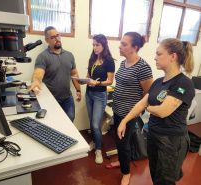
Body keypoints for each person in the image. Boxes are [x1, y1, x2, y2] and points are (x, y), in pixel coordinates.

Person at [117, 38, 195, 185]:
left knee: (165, 180)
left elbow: (162, 111)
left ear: (173, 56)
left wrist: (147, 107)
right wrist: (124, 121)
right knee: (155, 175)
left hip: (172, 140)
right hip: (154, 135)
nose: (155, 58)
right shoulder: (159, 82)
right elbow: (141, 103)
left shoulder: (183, 83)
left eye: (159, 54)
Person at [105, 32, 153, 185]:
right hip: (118, 108)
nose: (120, 46)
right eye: (121, 43)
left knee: (122, 142)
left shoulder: (143, 67)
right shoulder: (123, 63)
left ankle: (126, 173)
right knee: (120, 139)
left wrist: (136, 110)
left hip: (129, 113)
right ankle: (121, 160)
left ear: (135, 47)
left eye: (124, 44)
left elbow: (148, 94)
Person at [28, 26, 81, 122]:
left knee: (70, 121)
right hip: (50, 99)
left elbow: (74, 74)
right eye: (53, 37)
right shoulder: (43, 56)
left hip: (67, 98)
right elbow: (38, 73)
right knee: (54, 123)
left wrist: (78, 90)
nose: (57, 39)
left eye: (58, 35)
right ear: (46, 40)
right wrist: (35, 81)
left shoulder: (69, 55)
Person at [79, 34, 115, 164]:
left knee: (95, 124)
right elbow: (89, 76)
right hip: (89, 93)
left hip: (100, 95)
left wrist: (98, 83)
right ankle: (94, 142)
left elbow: (110, 81)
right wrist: (84, 81)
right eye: (93, 45)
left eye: (97, 45)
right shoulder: (92, 59)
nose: (95, 48)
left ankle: (98, 150)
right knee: (91, 122)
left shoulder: (109, 61)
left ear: (103, 46)